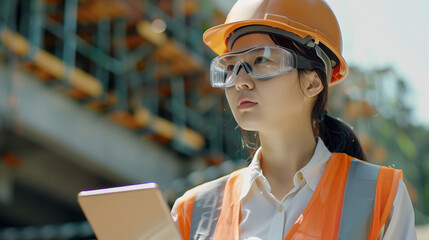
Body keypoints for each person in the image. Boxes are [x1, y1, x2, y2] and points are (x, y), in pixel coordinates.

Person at [171, 0, 416, 239]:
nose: (240, 80)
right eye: (231, 66)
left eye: (261, 60)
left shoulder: (381, 195)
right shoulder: (192, 213)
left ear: (313, 82)